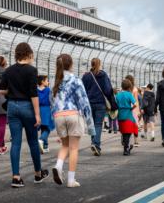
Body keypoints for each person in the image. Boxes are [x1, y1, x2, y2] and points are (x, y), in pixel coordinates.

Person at [0, 42, 49, 188]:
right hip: (27, 106)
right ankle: (38, 174)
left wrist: (12, 91)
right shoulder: (32, 70)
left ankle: (16, 177)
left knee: (16, 143)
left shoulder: (8, 70)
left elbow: (1, 91)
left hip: (12, 107)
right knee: (33, 141)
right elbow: (34, 94)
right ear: (29, 54)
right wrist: (38, 115)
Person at [51, 54, 96, 188]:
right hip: (73, 115)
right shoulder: (76, 80)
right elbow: (84, 102)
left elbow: (51, 102)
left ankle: (58, 166)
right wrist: (90, 125)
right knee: (74, 148)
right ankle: (71, 180)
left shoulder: (56, 82)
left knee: (64, 145)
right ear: (70, 65)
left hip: (59, 116)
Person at [82, 58, 113, 156]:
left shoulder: (86, 76)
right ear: (100, 64)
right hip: (100, 103)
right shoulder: (103, 75)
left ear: (91, 64)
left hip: (89, 103)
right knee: (98, 124)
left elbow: (82, 90)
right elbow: (108, 90)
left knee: (92, 124)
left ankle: (93, 143)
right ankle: (96, 144)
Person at [116, 79, 138, 156]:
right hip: (128, 115)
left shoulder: (118, 95)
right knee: (128, 133)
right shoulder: (129, 94)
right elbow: (135, 104)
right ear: (129, 87)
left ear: (122, 86)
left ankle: (125, 145)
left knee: (123, 132)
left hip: (120, 115)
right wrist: (131, 108)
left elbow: (116, 105)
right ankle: (126, 149)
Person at [37, 75, 55, 154]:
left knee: (43, 128)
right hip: (46, 109)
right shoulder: (48, 90)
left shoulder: (35, 90)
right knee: (48, 128)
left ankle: (45, 146)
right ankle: (41, 139)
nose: (48, 82)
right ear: (42, 82)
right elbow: (51, 101)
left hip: (38, 109)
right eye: (46, 80)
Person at [125, 75, 140, 147]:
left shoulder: (124, 90)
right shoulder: (135, 89)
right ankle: (136, 141)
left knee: (127, 124)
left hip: (127, 108)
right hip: (134, 108)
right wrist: (138, 110)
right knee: (135, 124)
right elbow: (136, 101)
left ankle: (128, 141)